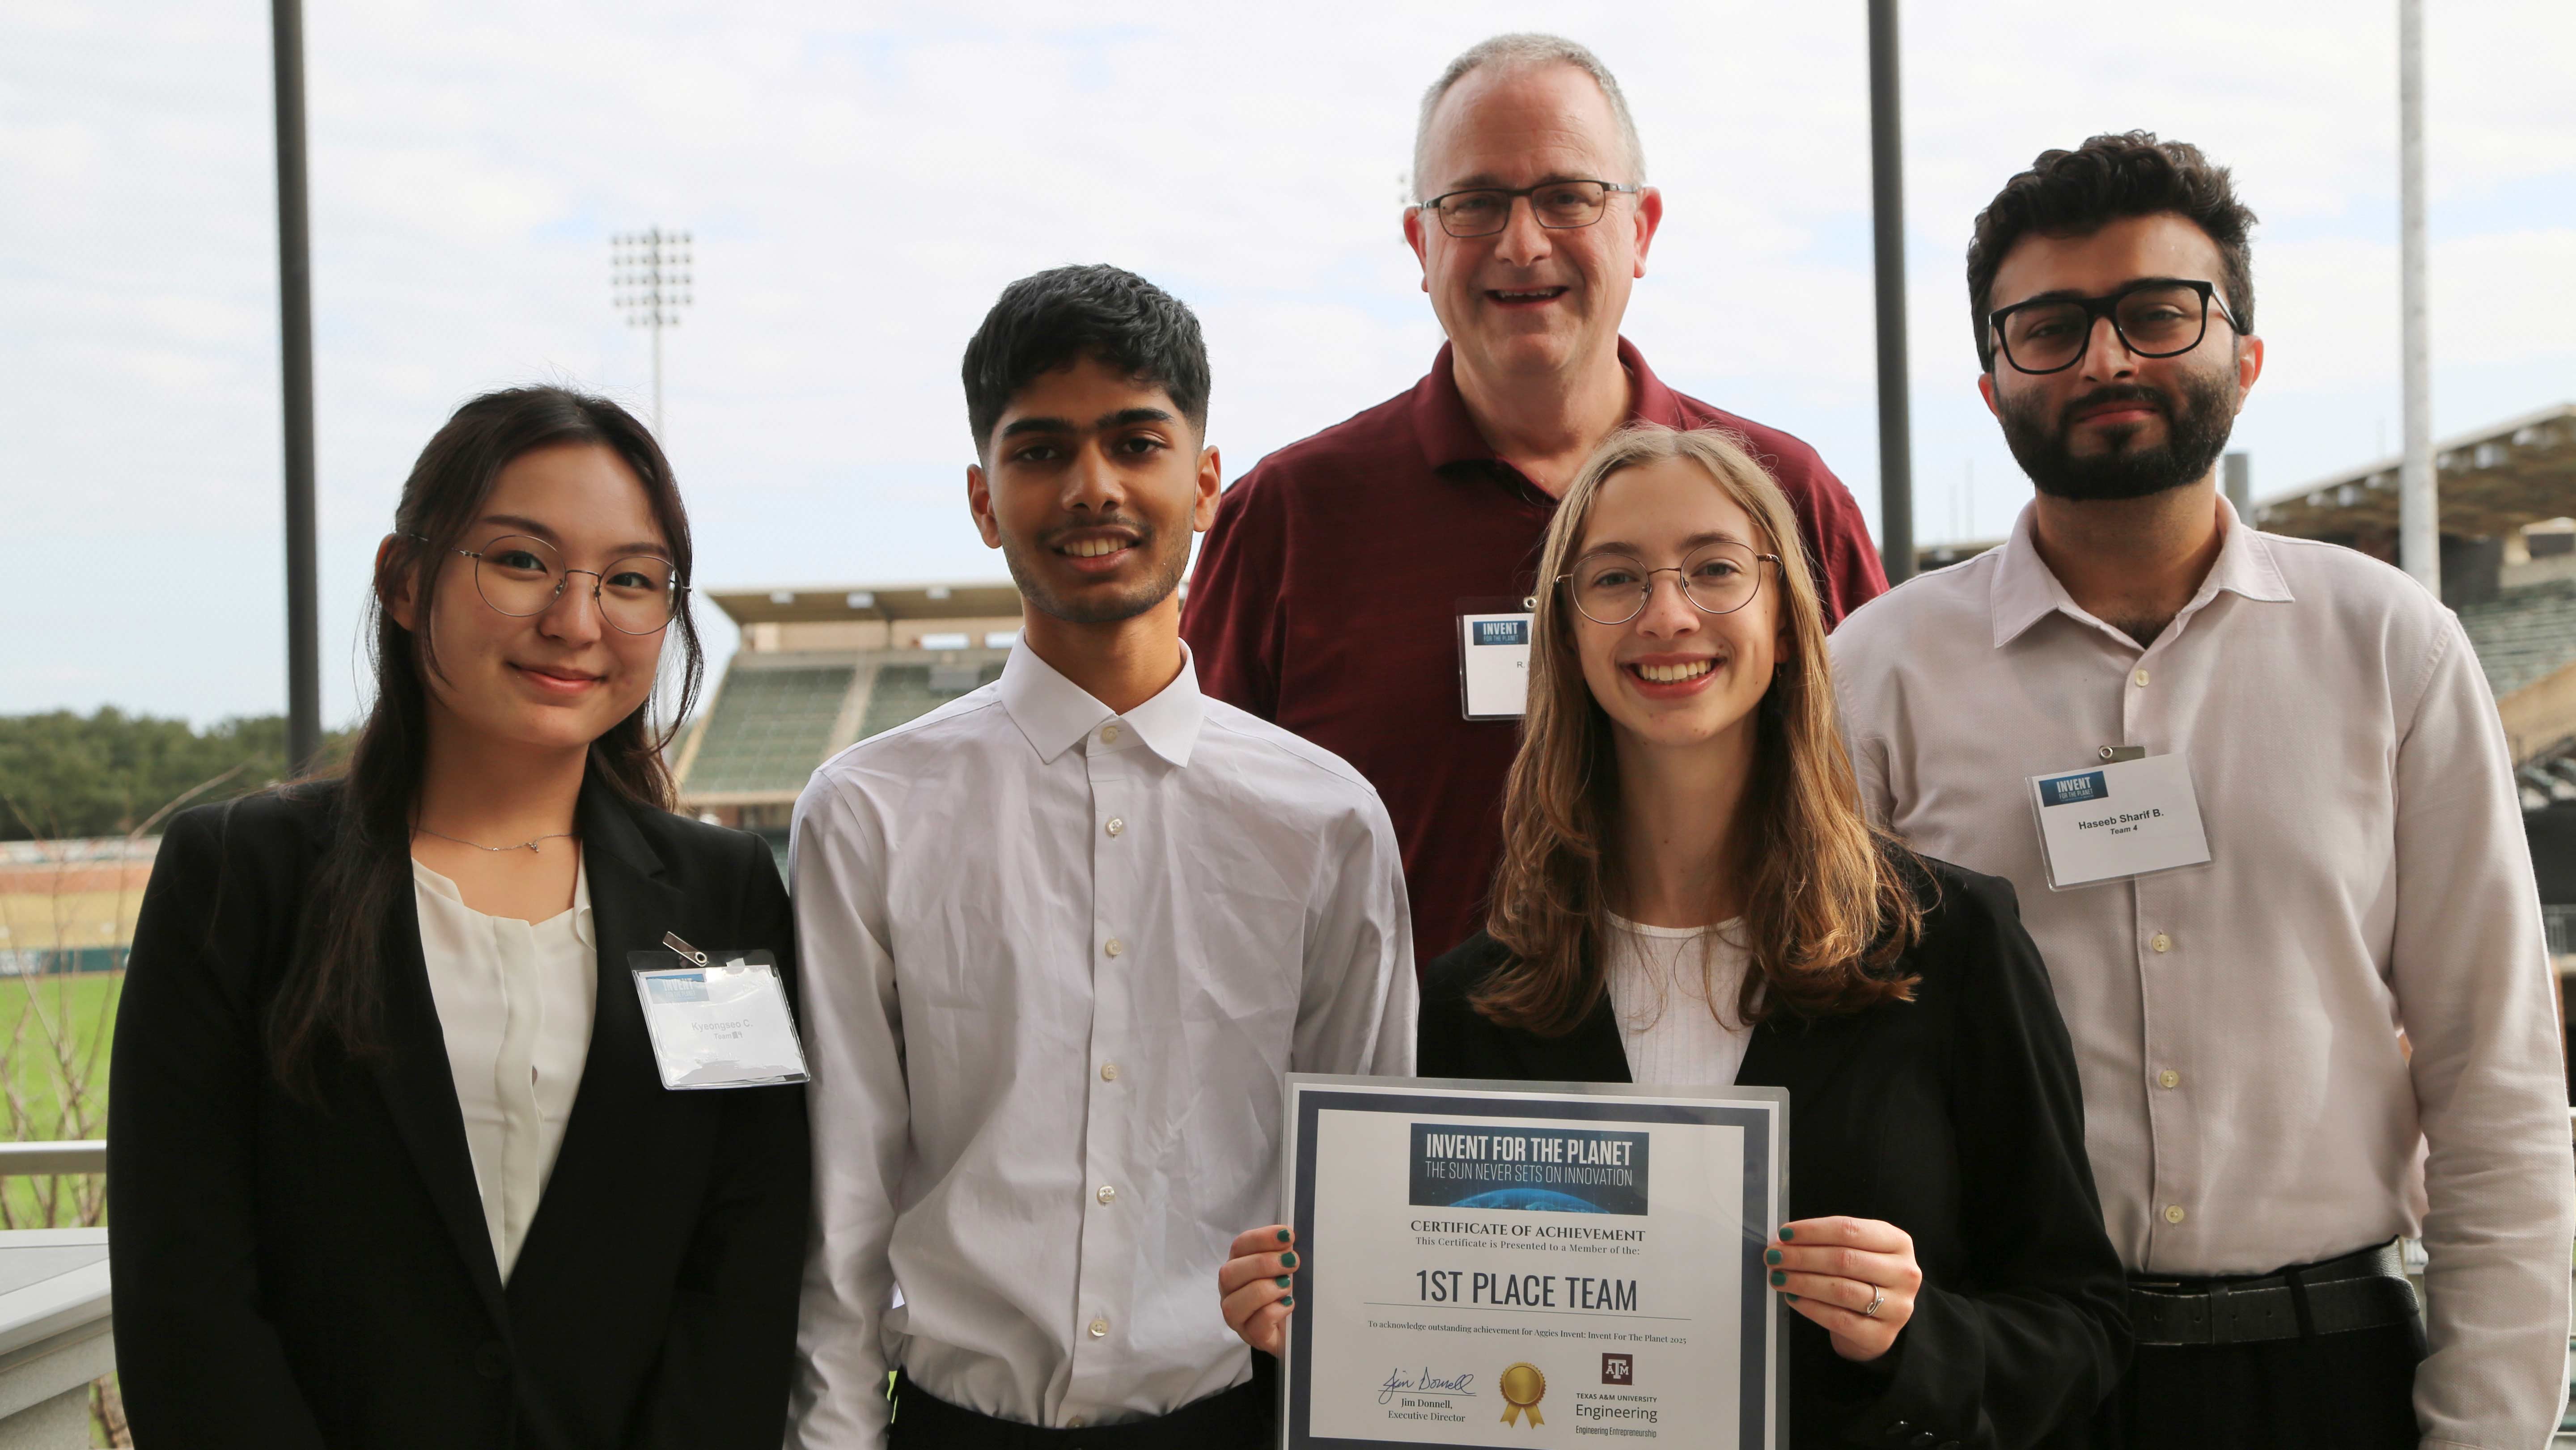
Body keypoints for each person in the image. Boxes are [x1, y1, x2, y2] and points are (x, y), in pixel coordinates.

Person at [1829, 132, 2576, 1448]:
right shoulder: (1880, 670)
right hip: (2015, 1380)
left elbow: (2494, 1078)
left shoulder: (2391, 643)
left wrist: (2490, 1427)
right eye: (2051, 326)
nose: (2110, 357)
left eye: (2159, 313)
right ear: (1993, 382)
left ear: (2247, 350)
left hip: (2324, 1375)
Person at [1219, 425, 2128, 1448]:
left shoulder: (1950, 943)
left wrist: (1908, 1338)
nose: (1667, 613)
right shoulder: (1477, 1001)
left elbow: (2078, 1327)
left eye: (1715, 569)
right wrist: (1311, 1332)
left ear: (1787, 619)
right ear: (1562, 635)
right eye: (1614, 578)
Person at [108, 386, 810, 1448]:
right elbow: (186, 1284)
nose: (577, 622)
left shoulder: (720, 894)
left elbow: (746, 1254)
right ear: (402, 579)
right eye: (522, 561)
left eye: (630, 580)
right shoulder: (239, 876)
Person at [788, 264, 1417, 1449]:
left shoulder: (1326, 821)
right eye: (1041, 452)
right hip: (953, 1421)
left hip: (1235, 1419)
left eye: (1136, 441)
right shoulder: (866, 810)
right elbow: (844, 1200)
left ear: (1206, 481)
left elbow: (1364, 1196)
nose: (1092, 487)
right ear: (983, 497)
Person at [1183, 33, 1887, 969]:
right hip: (1402, 1102)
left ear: (1641, 230)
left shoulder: (1788, 498)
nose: (1523, 243)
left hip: (1741, 1088)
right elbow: (1199, 849)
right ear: (1420, 243)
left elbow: (1875, 808)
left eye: (1568, 196)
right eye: (1475, 203)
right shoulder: (1290, 517)